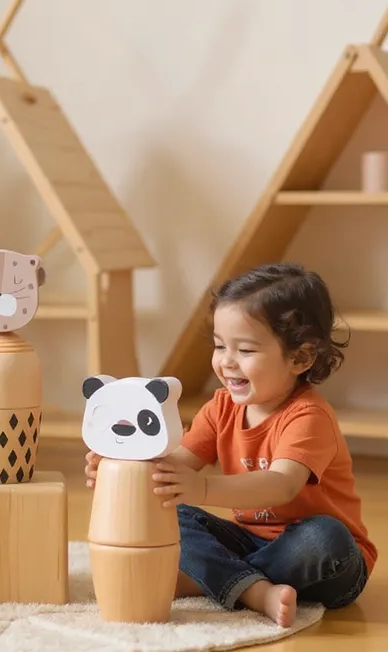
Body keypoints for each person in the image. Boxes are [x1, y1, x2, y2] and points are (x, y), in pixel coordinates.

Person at [84, 262, 377, 627]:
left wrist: (203, 487)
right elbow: (172, 465)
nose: (226, 362)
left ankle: (217, 580)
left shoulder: (308, 416)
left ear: (300, 357)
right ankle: (253, 590)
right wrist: (120, 468)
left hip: (324, 562)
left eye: (246, 351)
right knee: (175, 511)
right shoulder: (221, 406)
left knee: (325, 536)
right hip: (248, 540)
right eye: (221, 346)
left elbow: (281, 484)